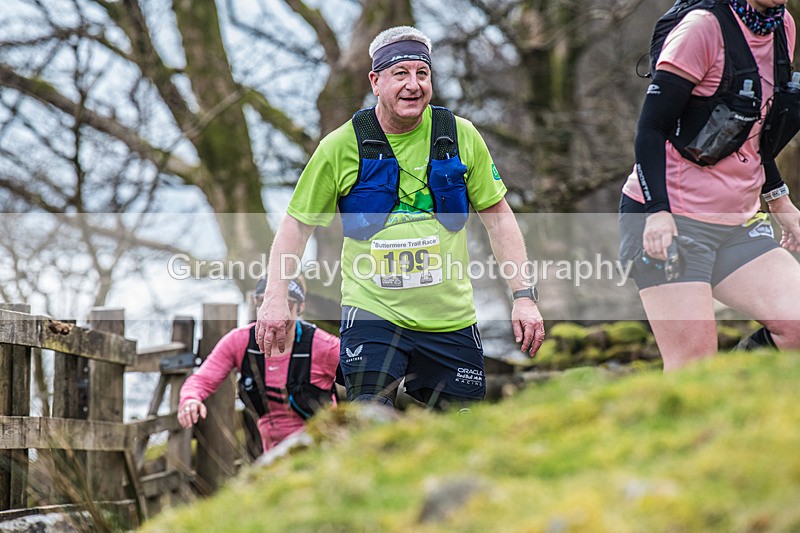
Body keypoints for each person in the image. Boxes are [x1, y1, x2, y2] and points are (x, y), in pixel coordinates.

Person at [255, 26, 544, 409]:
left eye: (421, 73)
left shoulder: (460, 135)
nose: (413, 85)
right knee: (369, 423)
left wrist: (523, 296)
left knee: (463, 431)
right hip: (373, 314)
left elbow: (499, 217)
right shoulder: (341, 146)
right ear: (375, 81)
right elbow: (296, 225)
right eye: (400, 74)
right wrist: (275, 296)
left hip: (449, 317)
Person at [620, 0, 800, 370]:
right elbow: (650, 130)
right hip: (671, 221)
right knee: (692, 368)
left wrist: (780, 201)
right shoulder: (702, 28)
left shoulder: (782, 27)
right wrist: (658, 213)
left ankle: (734, 403)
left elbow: (756, 130)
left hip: (736, 223)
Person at [178, 277, 340, 452]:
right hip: (272, 458)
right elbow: (202, 379)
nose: (276, 314)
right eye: (266, 304)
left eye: (287, 305)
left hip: (325, 452)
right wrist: (190, 399)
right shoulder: (240, 342)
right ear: (257, 305)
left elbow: (365, 377)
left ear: (300, 307)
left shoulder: (324, 346)